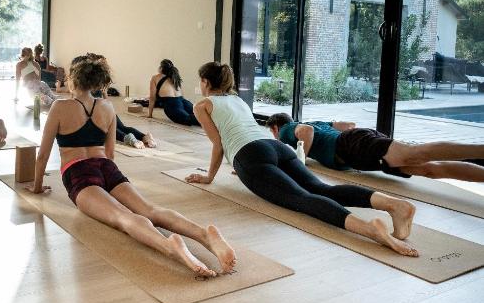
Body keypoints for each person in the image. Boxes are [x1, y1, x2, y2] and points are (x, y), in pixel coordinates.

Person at [28, 53, 236, 277]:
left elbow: (43, 155)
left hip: (79, 173)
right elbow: (109, 154)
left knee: (122, 217)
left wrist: (38, 186)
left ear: (73, 79)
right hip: (107, 168)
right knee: (150, 210)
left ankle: (170, 246)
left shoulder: (60, 107)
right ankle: (205, 235)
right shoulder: (107, 107)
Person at [187, 61, 419, 257]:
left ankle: (370, 230)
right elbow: (242, 130)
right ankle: (394, 204)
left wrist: (209, 176)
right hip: (277, 148)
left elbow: (219, 143)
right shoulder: (238, 100)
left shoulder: (203, 105)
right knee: (322, 188)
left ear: (205, 82)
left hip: (250, 155)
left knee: (301, 199)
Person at [266, 113, 484, 182]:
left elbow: (306, 132)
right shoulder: (318, 122)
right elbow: (347, 125)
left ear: (275, 127)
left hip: (352, 146)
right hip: (356, 147)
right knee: (429, 169)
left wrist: (302, 162)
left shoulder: (286, 130)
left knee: (417, 153)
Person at [92, 89, 156, 148]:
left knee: (110, 128)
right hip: (106, 110)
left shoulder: (86, 87)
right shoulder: (98, 85)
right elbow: (107, 102)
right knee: (122, 127)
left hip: (99, 112)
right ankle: (143, 136)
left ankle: (129, 138)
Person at [148, 59, 199, 126]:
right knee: (200, 115)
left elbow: (152, 98)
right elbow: (181, 93)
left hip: (172, 104)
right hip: (183, 101)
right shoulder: (174, 76)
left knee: (189, 120)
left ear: (161, 68)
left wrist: (149, 115)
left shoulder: (155, 77)